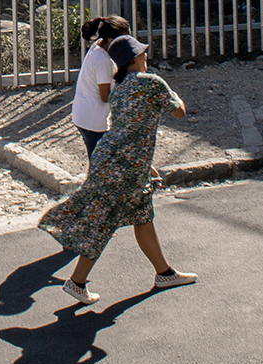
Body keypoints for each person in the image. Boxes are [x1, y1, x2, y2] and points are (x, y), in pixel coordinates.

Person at [39, 35, 197, 304]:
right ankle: (77, 282)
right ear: (133, 59)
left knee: (141, 214)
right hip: (124, 167)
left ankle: (165, 273)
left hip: (114, 159)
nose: (146, 57)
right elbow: (179, 112)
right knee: (105, 220)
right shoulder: (151, 83)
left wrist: (145, 166)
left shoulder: (120, 87)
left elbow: (129, 130)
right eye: (142, 54)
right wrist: (177, 96)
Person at [70, 16, 130, 157]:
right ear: (111, 40)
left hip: (82, 115)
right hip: (94, 122)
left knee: (98, 162)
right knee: (101, 165)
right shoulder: (104, 61)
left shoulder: (97, 45)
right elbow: (105, 97)